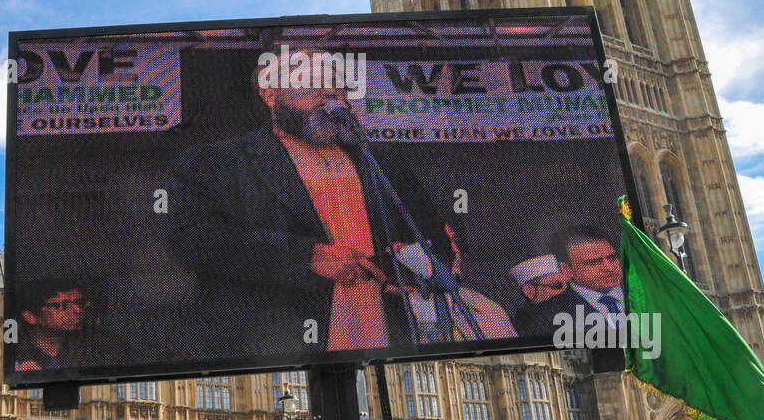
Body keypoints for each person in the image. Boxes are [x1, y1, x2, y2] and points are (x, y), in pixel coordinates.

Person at [164, 46, 513, 358]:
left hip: (390, 322)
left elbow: (432, 227)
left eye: (338, 86)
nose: (332, 94)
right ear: (270, 93)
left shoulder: (378, 158)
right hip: (287, 333)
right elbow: (192, 240)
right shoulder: (214, 162)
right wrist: (304, 255)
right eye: (314, 83)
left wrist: (409, 262)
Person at [516, 225, 623, 339]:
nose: (609, 268)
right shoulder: (545, 318)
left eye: (612, 258)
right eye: (594, 262)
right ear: (566, 270)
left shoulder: (641, 292)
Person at [13, 281, 92, 372]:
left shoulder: (91, 352)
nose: (78, 310)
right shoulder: (15, 357)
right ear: (30, 316)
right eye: (63, 305)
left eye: (79, 302)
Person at [508, 254, 571, 333]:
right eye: (557, 285)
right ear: (529, 291)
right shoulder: (537, 323)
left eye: (566, 285)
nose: (564, 291)